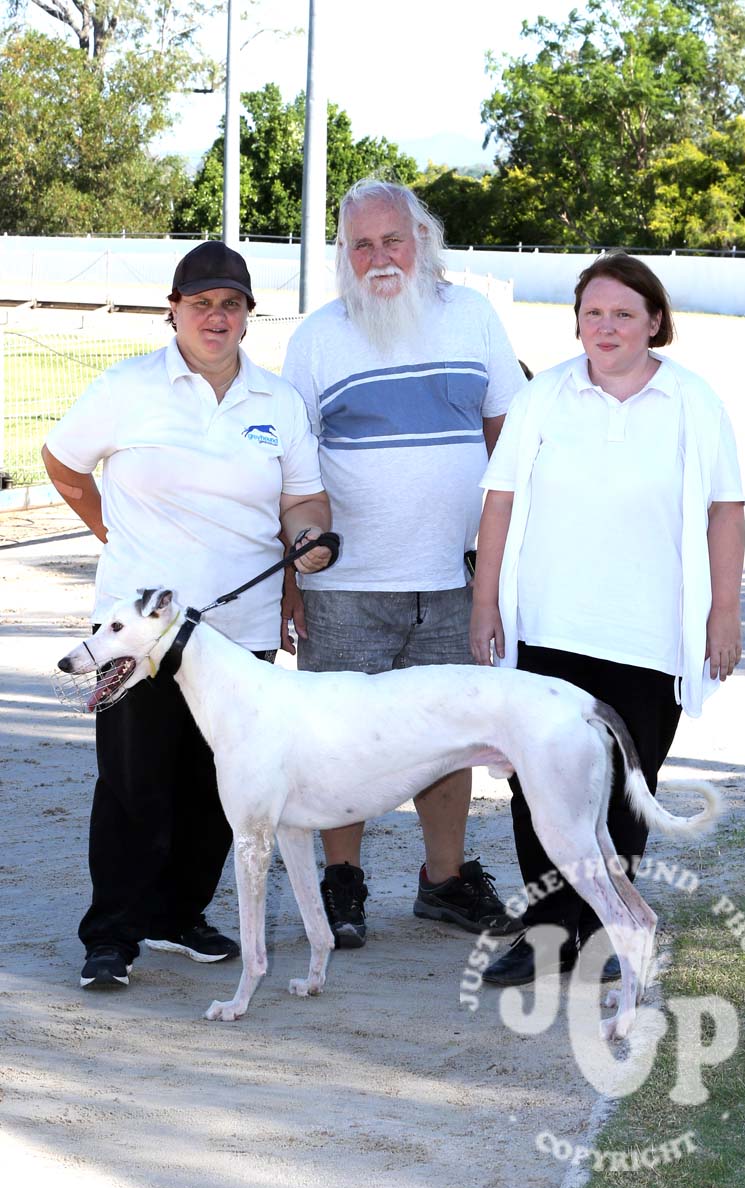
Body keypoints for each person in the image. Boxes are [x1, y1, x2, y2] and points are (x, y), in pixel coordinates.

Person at [43, 241, 333, 989]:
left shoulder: (277, 401)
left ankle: (178, 916)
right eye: (200, 303)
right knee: (133, 783)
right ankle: (112, 936)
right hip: (139, 640)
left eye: (231, 304)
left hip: (239, 635)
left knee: (217, 785)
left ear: (248, 314)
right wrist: (111, 534)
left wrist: (308, 544)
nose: (216, 316)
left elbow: (303, 499)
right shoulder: (126, 386)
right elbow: (63, 463)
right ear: (173, 309)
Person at [470, 251, 745, 987]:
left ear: (655, 322)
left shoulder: (693, 400)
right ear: (577, 323)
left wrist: (724, 612)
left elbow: (726, 511)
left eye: (624, 313)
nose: (606, 326)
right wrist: (485, 601)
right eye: (593, 313)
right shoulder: (544, 395)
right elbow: (499, 501)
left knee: (626, 789)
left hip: (649, 634)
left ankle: (604, 931)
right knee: (538, 786)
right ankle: (547, 933)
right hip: (547, 629)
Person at [281, 179, 526, 948]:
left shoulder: (474, 316)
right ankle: (343, 884)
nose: (379, 257)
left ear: (423, 239)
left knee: (450, 737)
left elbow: (510, 441)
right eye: (361, 244)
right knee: (338, 738)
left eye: (392, 240)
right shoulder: (316, 338)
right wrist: (290, 580)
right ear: (343, 254)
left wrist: (507, 568)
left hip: (457, 579)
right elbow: (289, 473)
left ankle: (444, 882)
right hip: (344, 585)